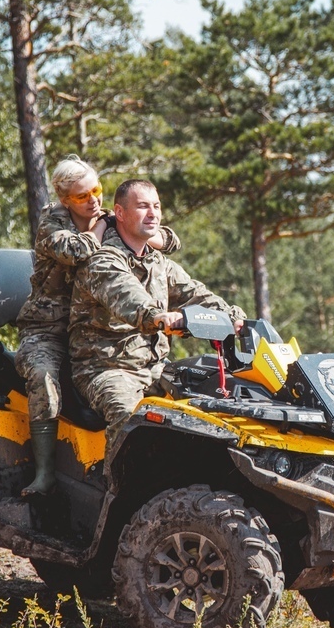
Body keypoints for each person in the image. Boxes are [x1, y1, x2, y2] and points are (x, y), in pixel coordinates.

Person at [16, 158, 179, 496]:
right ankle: (44, 473)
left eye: (97, 190)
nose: (93, 200)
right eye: (82, 196)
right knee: (44, 379)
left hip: (90, 327)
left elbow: (167, 241)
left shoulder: (105, 218)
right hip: (47, 326)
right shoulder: (54, 223)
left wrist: (151, 234)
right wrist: (104, 228)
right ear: (65, 200)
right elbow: (76, 250)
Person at [69, 178, 245, 446]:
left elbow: (196, 294)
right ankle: (120, 487)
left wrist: (232, 316)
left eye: (157, 206)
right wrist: (159, 317)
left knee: (213, 405)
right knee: (131, 420)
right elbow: (130, 298)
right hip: (106, 369)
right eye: (143, 206)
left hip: (156, 368)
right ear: (120, 213)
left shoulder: (158, 262)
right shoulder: (102, 260)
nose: (153, 214)